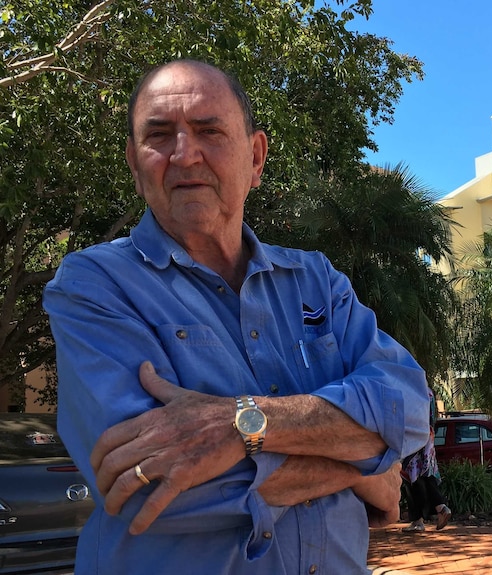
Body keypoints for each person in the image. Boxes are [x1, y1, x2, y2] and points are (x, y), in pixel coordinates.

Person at [43, 59, 430, 575]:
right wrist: (364, 470)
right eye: (159, 136)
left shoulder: (317, 280)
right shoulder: (95, 286)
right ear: (135, 166)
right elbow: (148, 489)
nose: (184, 154)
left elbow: (407, 407)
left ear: (255, 157)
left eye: (208, 130)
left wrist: (238, 424)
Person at [400, 390, 451, 532]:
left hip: (414, 439)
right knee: (424, 476)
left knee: (413, 479)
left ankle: (420, 519)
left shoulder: (412, 392)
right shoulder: (427, 392)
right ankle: (438, 508)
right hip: (427, 437)